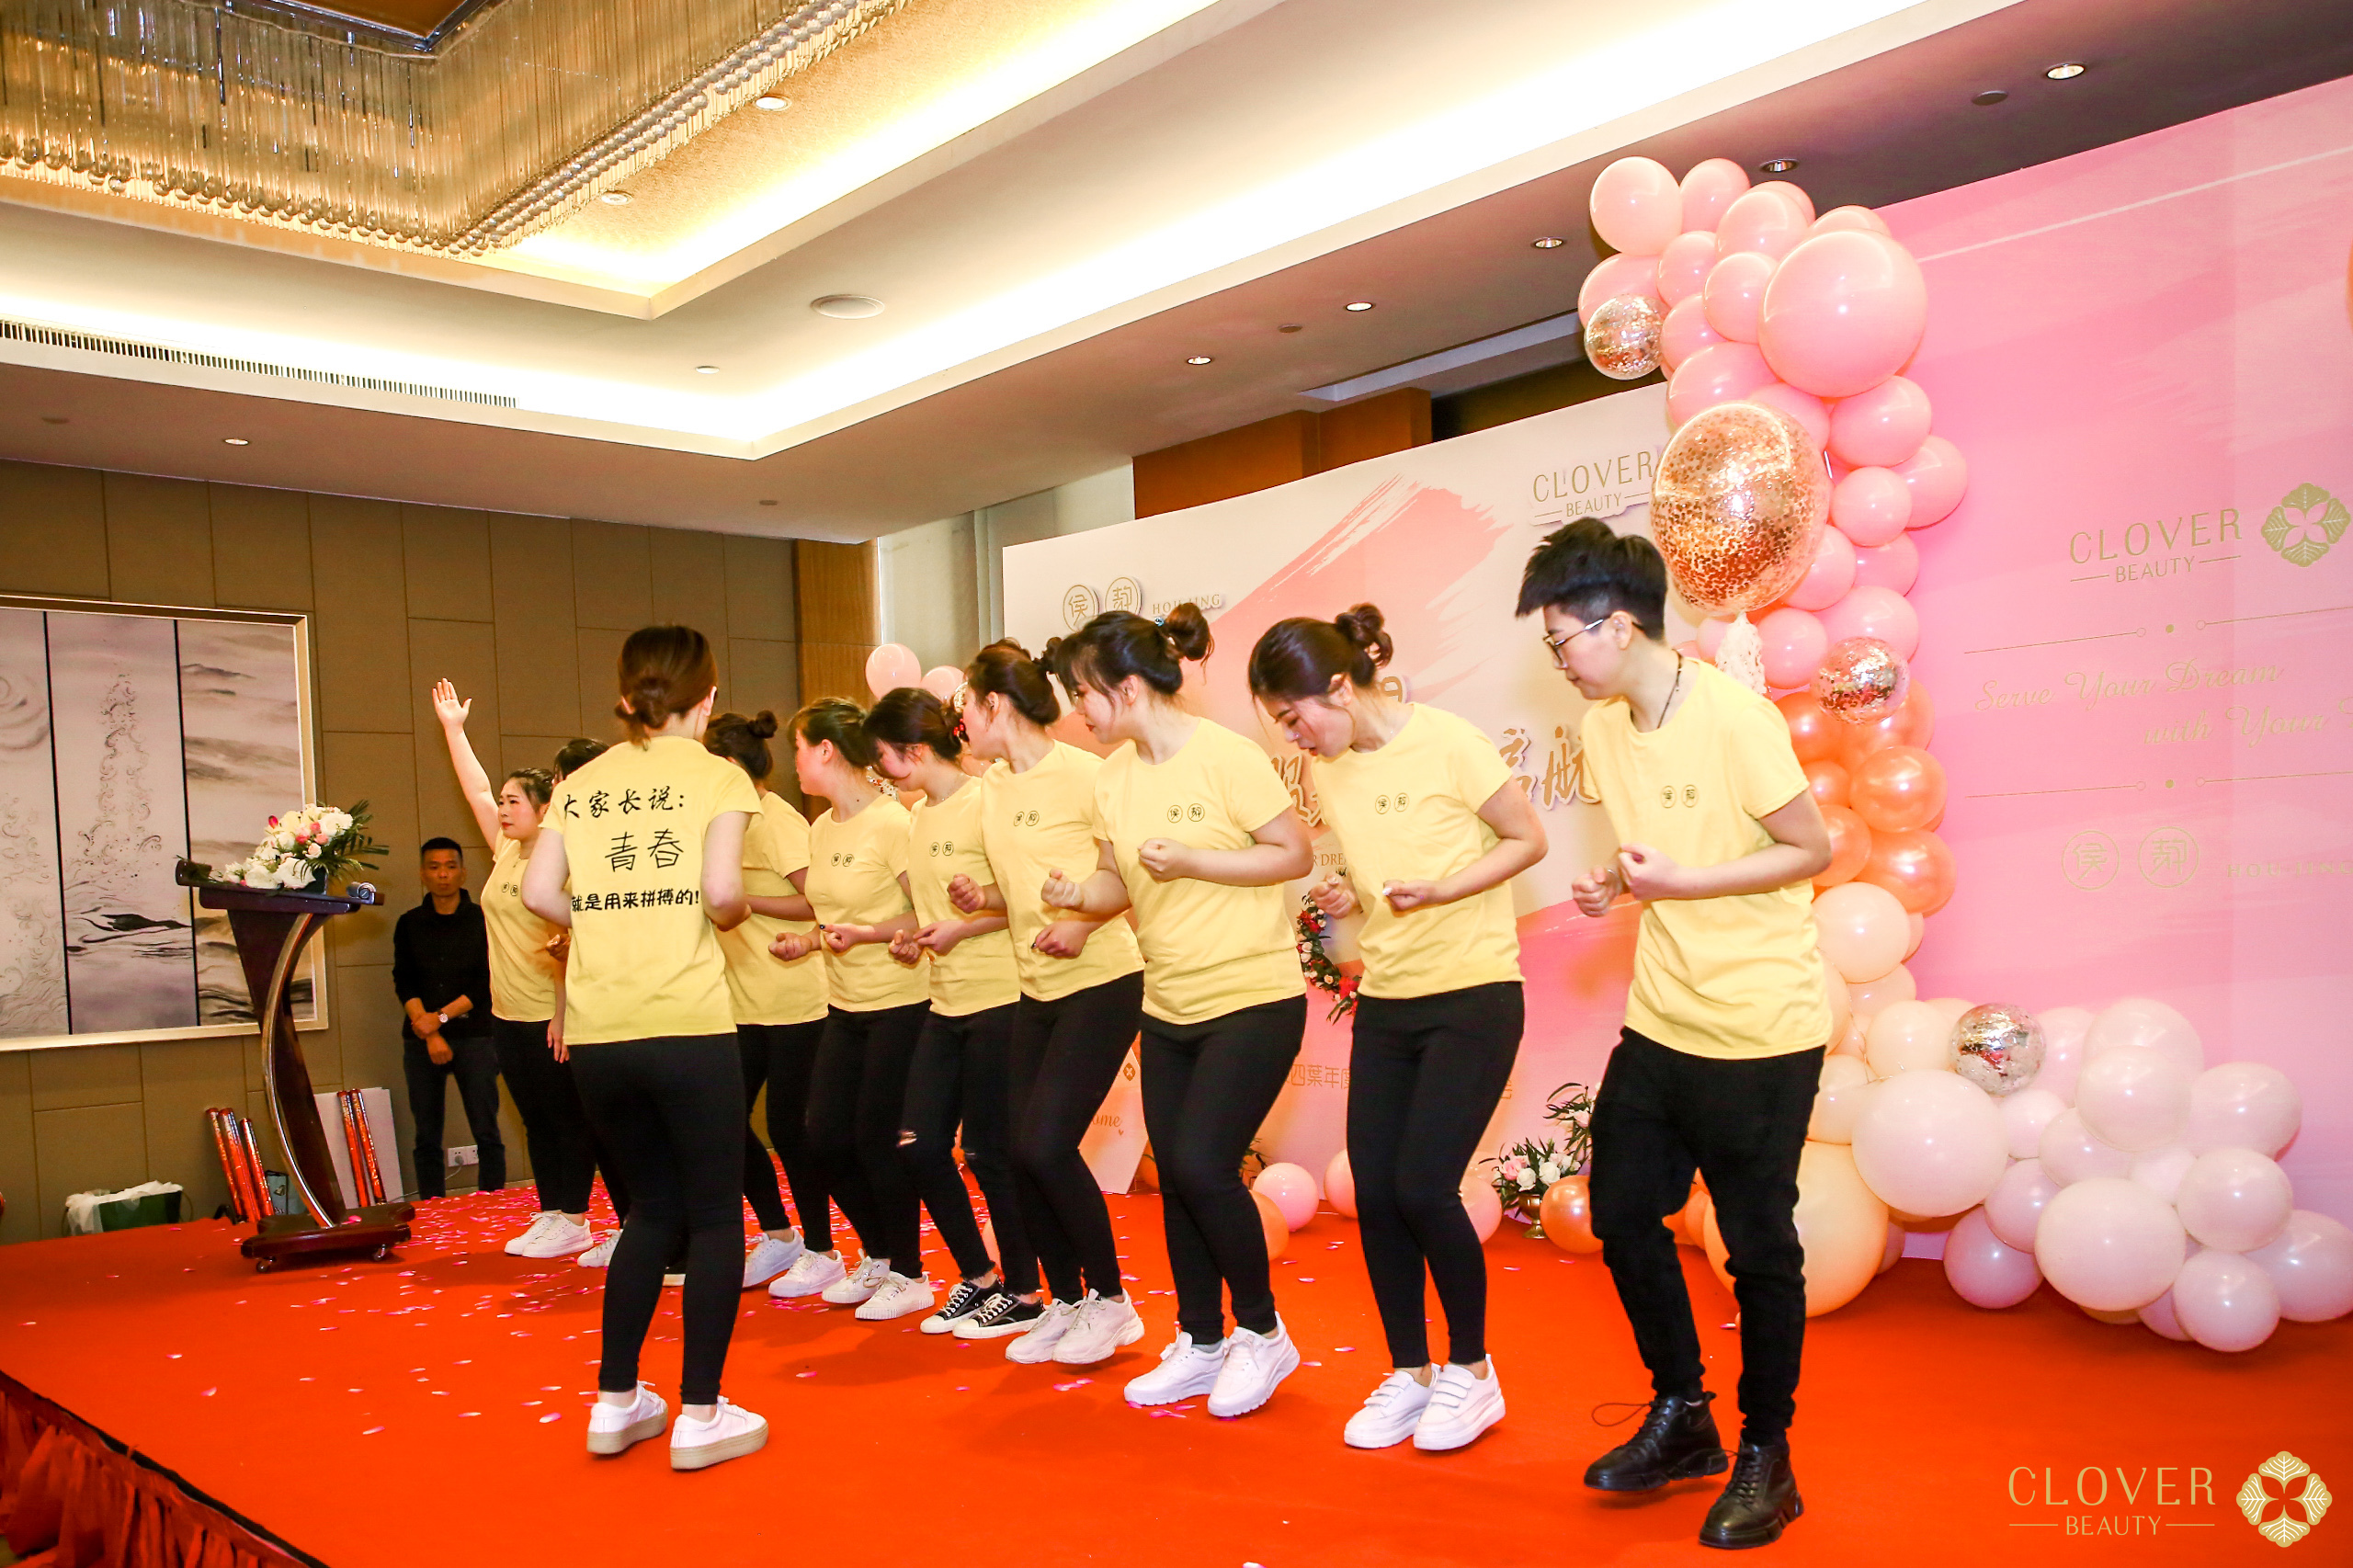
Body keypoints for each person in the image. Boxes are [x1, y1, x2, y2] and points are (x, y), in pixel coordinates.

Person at [1524, 519, 1832, 1550]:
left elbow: (1809, 848)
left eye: (1561, 640)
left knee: (1757, 1250)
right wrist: (1615, 883)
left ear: (1618, 626)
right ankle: (1683, 1413)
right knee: (1621, 1215)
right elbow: (1664, 850)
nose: (1559, 661)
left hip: (1760, 1027)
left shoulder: (1736, 719)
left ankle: (1767, 1453)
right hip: (1661, 1018)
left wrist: (1684, 882)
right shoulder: (1605, 726)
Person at [1248, 606, 1547, 1451]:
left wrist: (1446, 888)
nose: (1293, 737)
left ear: (1340, 688)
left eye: (1294, 717)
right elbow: (1380, 874)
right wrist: (1350, 893)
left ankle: (1473, 1372)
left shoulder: (1449, 742)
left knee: (1422, 1188)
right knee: (1375, 1193)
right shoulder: (1335, 773)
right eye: (1281, 724)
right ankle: (1409, 1372)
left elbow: (1527, 839)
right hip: (1389, 1000)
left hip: (1474, 996)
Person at [1043, 607, 1314, 1418]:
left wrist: (1195, 858)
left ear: (1127, 688)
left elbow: (1293, 853)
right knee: (1178, 1180)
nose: (1078, 711)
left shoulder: (1227, 756)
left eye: (1084, 693)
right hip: (1168, 1004)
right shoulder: (1112, 778)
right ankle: (1200, 1341)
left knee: (1201, 1167)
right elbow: (1116, 884)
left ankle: (1262, 1333)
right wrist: (1076, 895)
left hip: (1252, 998)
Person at [522, 623, 767, 1471]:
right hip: (687, 1022)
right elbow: (724, 893)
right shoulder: (718, 775)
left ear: (628, 696)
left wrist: (602, 921)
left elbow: (538, 890)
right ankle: (701, 1413)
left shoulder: (583, 782)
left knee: (650, 1211)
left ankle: (616, 1402)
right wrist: (724, 914)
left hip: (600, 1032)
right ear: (709, 695)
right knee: (713, 1215)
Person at [946, 641, 1145, 1362]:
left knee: (1045, 1145)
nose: (961, 722)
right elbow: (1020, 893)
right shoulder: (992, 788)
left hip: (1102, 980)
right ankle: (1065, 1300)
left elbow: (1125, 881)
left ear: (994, 704)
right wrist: (982, 898)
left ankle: (1113, 1302)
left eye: (966, 707)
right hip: (1035, 988)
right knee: (1012, 1151)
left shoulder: (1088, 774)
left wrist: (1079, 923)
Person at [865, 686, 1032, 1336]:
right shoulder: (917, 818)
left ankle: (1023, 1293)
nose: (880, 772)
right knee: (919, 1145)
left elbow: (1022, 901)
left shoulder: (985, 800)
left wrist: (965, 924)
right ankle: (979, 1277)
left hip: (1000, 997)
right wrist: (911, 937)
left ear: (913, 749)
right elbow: (928, 911)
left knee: (990, 1154)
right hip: (945, 1000)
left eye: (883, 758)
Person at [764, 699, 934, 1321]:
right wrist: (807, 942)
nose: (794, 763)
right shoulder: (821, 828)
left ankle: (910, 1273)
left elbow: (923, 912)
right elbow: (829, 917)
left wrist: (869, 934)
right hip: (844, 1003)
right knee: (824, 1137)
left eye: (799, 749)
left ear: (826, 750)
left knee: (875, 1140)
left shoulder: (893, 824)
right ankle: (880, 1254)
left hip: (900, 1002)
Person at [427, 681, 596, 1258]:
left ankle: (577, 1215)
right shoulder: (504, 851)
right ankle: (553, 1212)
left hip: (553, 1014)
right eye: (501, 802)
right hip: (507, 1014)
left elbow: (576, 942)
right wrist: (454, 730)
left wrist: (563, 1014)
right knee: (534, 1120)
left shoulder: (563, 862)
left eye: (513, 802)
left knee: (567, 1118)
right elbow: (474, 788)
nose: (501, 810)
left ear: (545, 809)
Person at [703, 710, 830, 1290]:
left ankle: (822, 1247)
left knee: (789, 1127)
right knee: (723, 1124)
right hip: (738, 1003)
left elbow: (819, 903)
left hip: (795, 1001)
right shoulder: (717, 825)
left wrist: (748, 901)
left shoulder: (775, 820)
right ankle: (780, 1236)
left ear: (731, 767)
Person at [392, 837, 504, 1200]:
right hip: (421, 1039)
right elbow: (404, 980)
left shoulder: (484, 920)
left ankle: (494, 1202)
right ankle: (432, 1205)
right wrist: (429, 1031)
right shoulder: (409, 923)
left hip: (476, 1035)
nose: (443, 874)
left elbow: (486, 981)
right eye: (435, 867)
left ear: (463, 872)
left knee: (486, 1129)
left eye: (450, 866)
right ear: (423, 874)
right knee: (426, 1133)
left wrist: (439, 1019)